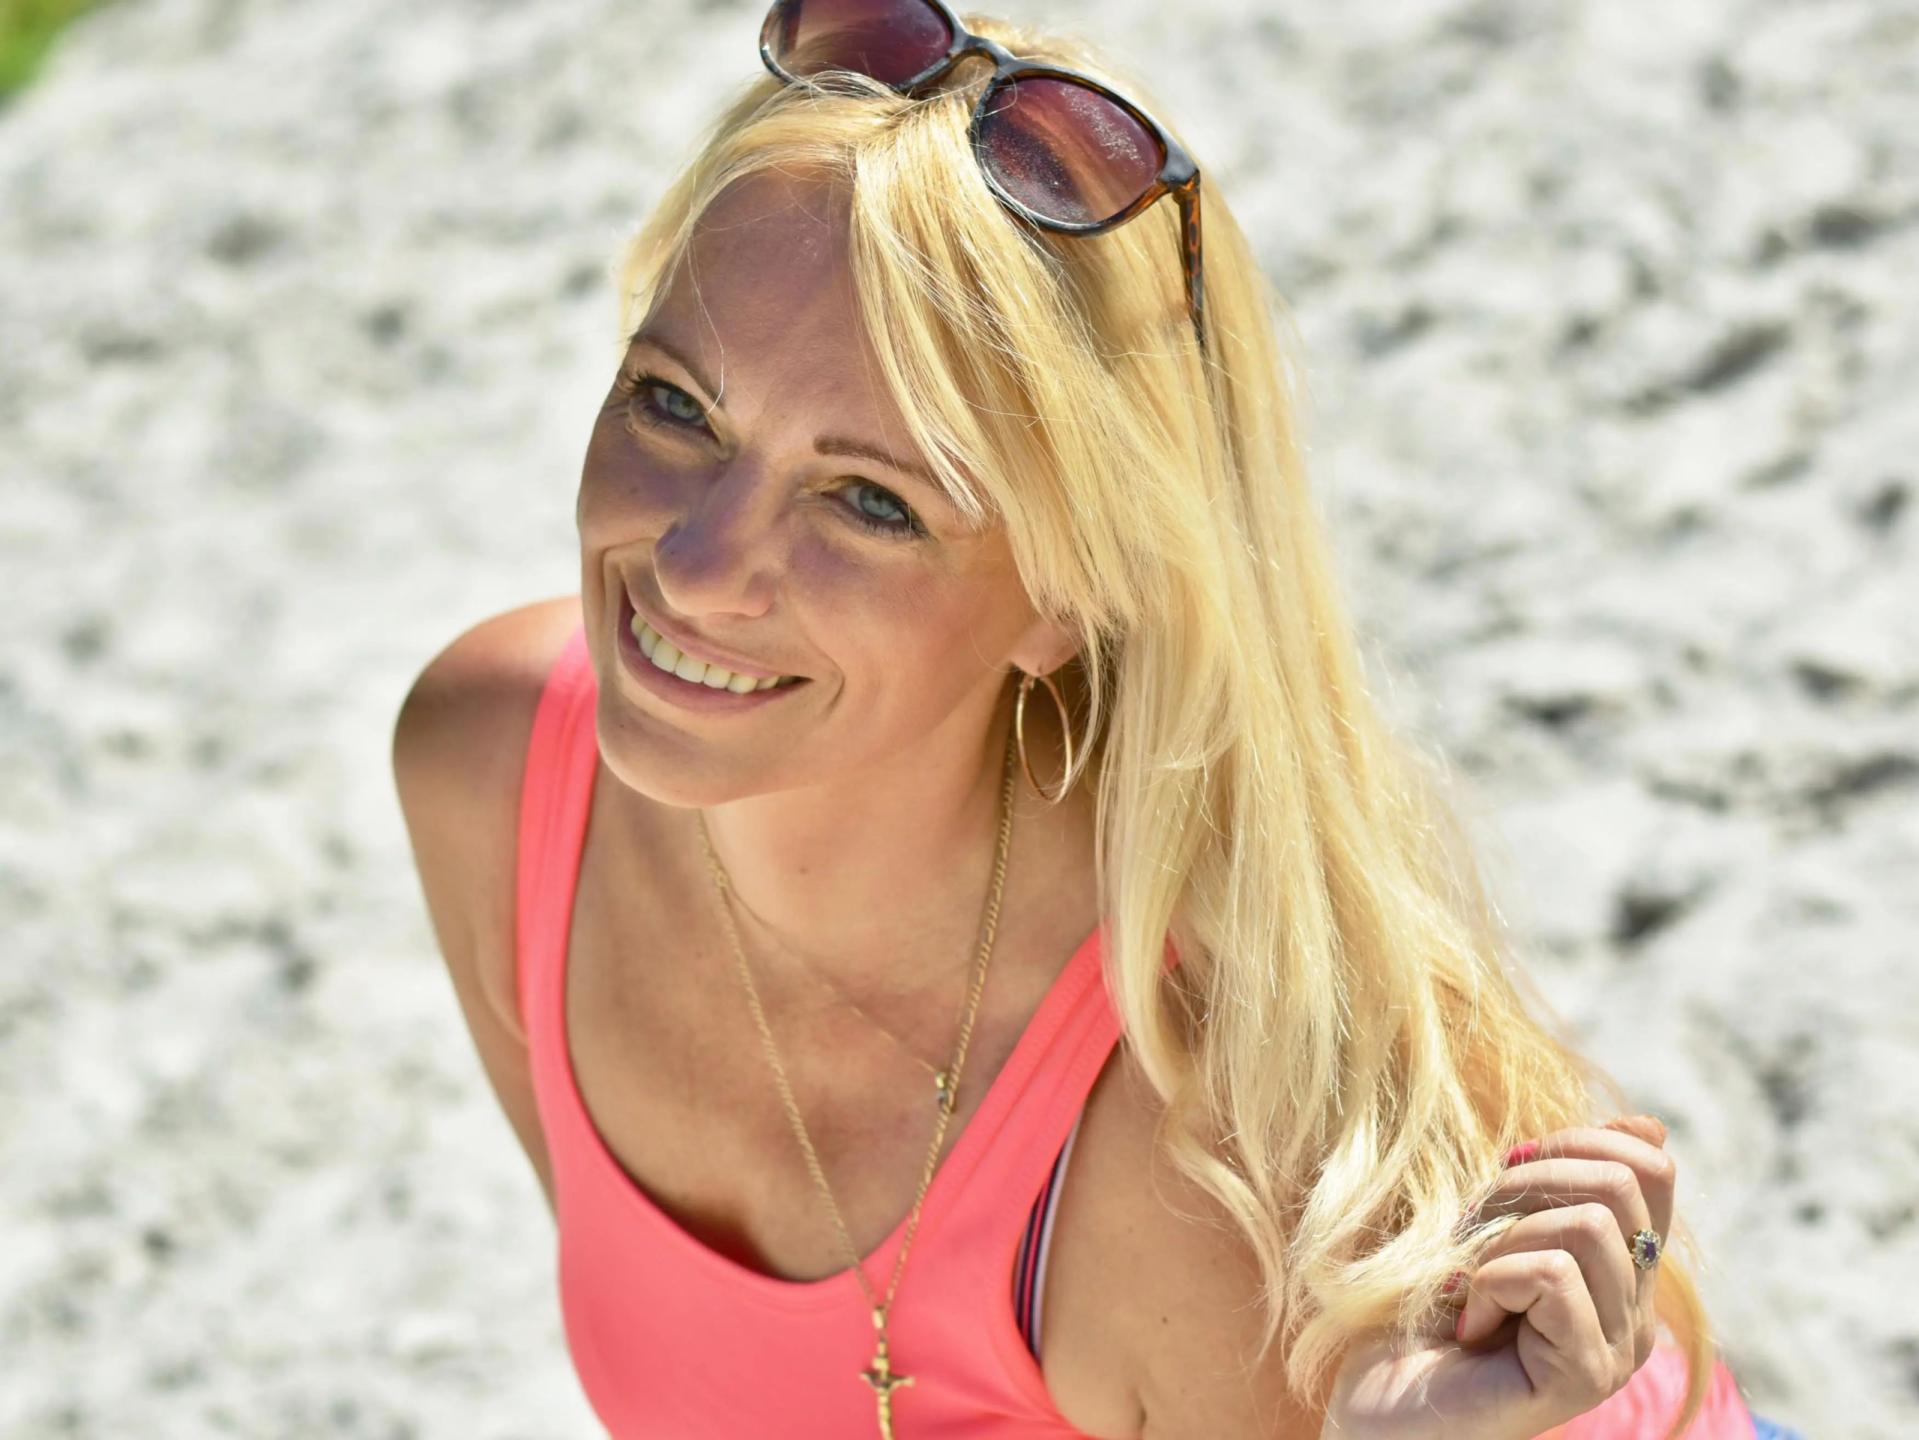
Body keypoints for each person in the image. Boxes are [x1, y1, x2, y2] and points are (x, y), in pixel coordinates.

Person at [393, 4, 1796, 1437]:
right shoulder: (494, 773)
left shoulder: (1194, 1152)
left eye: (869, 501)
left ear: (1068, 597)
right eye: (675, 405)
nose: (696, 568)